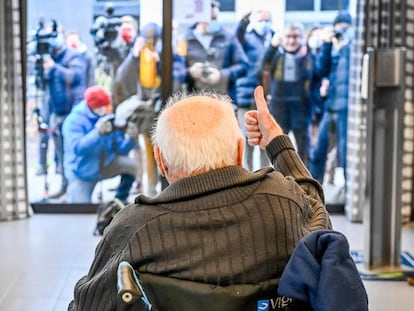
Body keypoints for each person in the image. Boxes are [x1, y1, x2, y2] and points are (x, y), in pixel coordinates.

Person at [68, 85, 332, 310]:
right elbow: (319, 221)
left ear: (161, 161)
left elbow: (87, 304)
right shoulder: (284, 203)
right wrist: (277, 141)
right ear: (240, 151)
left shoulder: (134, 227)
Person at [262, 21, 332, 166]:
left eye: (296, 36)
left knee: (303, 149)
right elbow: (263, 67)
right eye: (288, 36)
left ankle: (304, 181)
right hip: (279, 107)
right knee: (279, 147)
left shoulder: (309, 55)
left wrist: (324, 46)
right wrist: (272, 47)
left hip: (302, 108)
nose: (292, 40)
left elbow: (320, 70)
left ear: (302, 38)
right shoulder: (276, 54)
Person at [62, 85, 138, 203]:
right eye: (103, 107)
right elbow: (78, 149)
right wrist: (97, 133)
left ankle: (119, 201)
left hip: (106, 164)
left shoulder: (107, 117)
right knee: (79, 210)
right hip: (82, 172)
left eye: (108, 107)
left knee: (133, 166)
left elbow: (120, 149)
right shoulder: (73, 121)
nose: (106, 110)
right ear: (93, 106)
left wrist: (132, 139)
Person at [309, 11, 353, 186]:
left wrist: (345, 47)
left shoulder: (353, 48)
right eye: (338, 29)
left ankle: (350, 196)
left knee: (345, 155)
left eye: (346, 29)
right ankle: (311, 192)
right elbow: (320, 70)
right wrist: (327, 45)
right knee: (318, 152)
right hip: (331, 106)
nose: (342, 32)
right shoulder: (334, 47)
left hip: (346, 108)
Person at [43, 31, 88, 199]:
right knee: (61, 154)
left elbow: (74, 77)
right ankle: (65, 186)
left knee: (72, 153)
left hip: (72, 111)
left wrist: (53, 68)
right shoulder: (49, 59)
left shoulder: (74, 57)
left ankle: (75, 189)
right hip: (56, 111)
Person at [184, 0, 249, 101]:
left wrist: (222, 75)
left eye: (215, 18)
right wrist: (190, 72)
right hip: (195, 100)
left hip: (224, 100)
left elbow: (244, 65)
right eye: (211, 18)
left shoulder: (228, 38)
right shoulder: (186, 39)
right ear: (200, 17)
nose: (213, 22)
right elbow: (175, 70)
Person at [234, 9, 273, 171]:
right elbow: (236, 40)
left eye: (267, 20)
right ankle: (249, 173)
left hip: (267, 97)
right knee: (248, 137)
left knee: (266, 138)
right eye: (261, 20)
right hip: (246, 95)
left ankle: (265, 174)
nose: (264, 24)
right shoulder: (248, 39)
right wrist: (243, 23)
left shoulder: (273, 39)